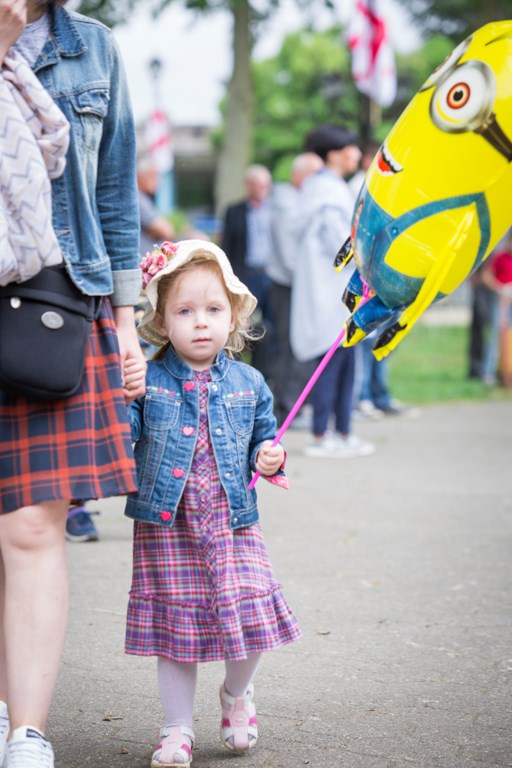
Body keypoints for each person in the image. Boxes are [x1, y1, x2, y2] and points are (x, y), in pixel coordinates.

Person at [0, 3, 146, 767]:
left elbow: (116, 197)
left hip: (53, 310)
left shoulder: (92, 48)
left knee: (31, 526)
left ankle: (25, 731)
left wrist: (126, 323)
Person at [123, 239, 301, 767]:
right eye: (185, 311)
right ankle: (177, 727)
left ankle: (236, 693)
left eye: (213, 309)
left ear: (234, 316)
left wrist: (271, 458)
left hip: (233, 521)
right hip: (168, 523)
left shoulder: (250, 382)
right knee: (176, 631)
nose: (201, 322)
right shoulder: (149, 379)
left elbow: (264, 440)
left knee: (249, 613)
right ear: (161, 321)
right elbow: (124, 433)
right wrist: (121, 397)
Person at [290, 124, 374, 458]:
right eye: (352, 148)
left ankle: (342, 431)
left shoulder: (329, 187)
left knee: (346, 360)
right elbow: (341, 245)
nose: (357, 154)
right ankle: (321, 433)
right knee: (332, 360)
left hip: (338, 292)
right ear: (336, 154)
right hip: (329, 293)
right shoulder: (325, 191)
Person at [267, 152, 324, 427]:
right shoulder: (286, 204)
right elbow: (289, 253)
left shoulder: (299, 201)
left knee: (301, 346)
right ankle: (287, 409)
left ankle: (298, 405)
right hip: (289, 286)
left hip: (300, 284)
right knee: (289, 347)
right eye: (315, 174)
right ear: (299, 175)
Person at [221, 164, 274, 379]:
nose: (262, 189)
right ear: (248, 186)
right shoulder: (234, 211)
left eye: (265, 185)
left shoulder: (276, 211)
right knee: (241, 326)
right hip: (246, 275)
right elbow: (227, 246)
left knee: (269, 329)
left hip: (271, 276)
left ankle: (264, 376)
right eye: (258, 185)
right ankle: (236, 374)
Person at [480, 229, 512, 385]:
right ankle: (488, 372)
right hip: (501, 303)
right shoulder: (500, 257)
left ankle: (507, 371)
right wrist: (500, 289)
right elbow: (486, 276)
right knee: (495, 336)